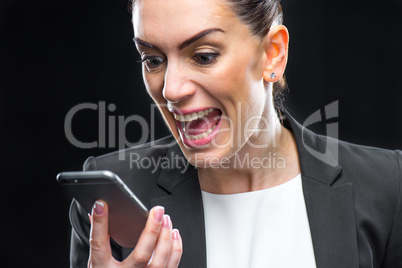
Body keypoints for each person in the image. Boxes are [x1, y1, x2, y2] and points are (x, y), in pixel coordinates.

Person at [69, 0, 402, 267]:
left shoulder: (388, 187)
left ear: (273, 54)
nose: (170, 89)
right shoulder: (111, 201)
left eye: (203, 56)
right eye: (153, 59)